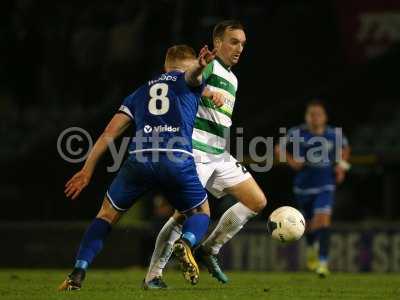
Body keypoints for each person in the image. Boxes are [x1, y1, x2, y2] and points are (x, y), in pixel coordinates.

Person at [58, 44, 219, 291]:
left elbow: (109, 133)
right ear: (186, 65)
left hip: (139, 159)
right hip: (176, 159)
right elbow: (194, 76)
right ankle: (186, 243)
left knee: (105, 215)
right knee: (200, 213)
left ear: (165, 66)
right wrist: (200, 65)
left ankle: (77, 273)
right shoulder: (190, 79)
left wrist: (87, 170)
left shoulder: (139, 93)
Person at [144, 20, 267, 289]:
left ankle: (208, 249)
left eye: (243, 43)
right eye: (234, 42)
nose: (239, 48)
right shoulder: (208, 66)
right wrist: (203, 83)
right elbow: (185, 83)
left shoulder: (232, 76)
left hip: (219, 153)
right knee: (182, 215)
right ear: (218, 43)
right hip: (196, 150)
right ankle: (154, 275)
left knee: (256, 201)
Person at [275, 100, 351, 277]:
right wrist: (292, 161)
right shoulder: (297, 132)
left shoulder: (334, 134)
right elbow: (279, 149)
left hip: (326, 184)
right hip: (303, 186)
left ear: (325, 117)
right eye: (312, 114)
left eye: (319, 114)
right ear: (306, 117)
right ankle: (310, 247)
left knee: (322, 220)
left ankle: (323, 263)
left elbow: (346, 149)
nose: (315, 118)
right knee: (308, 224)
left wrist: (342, 166)